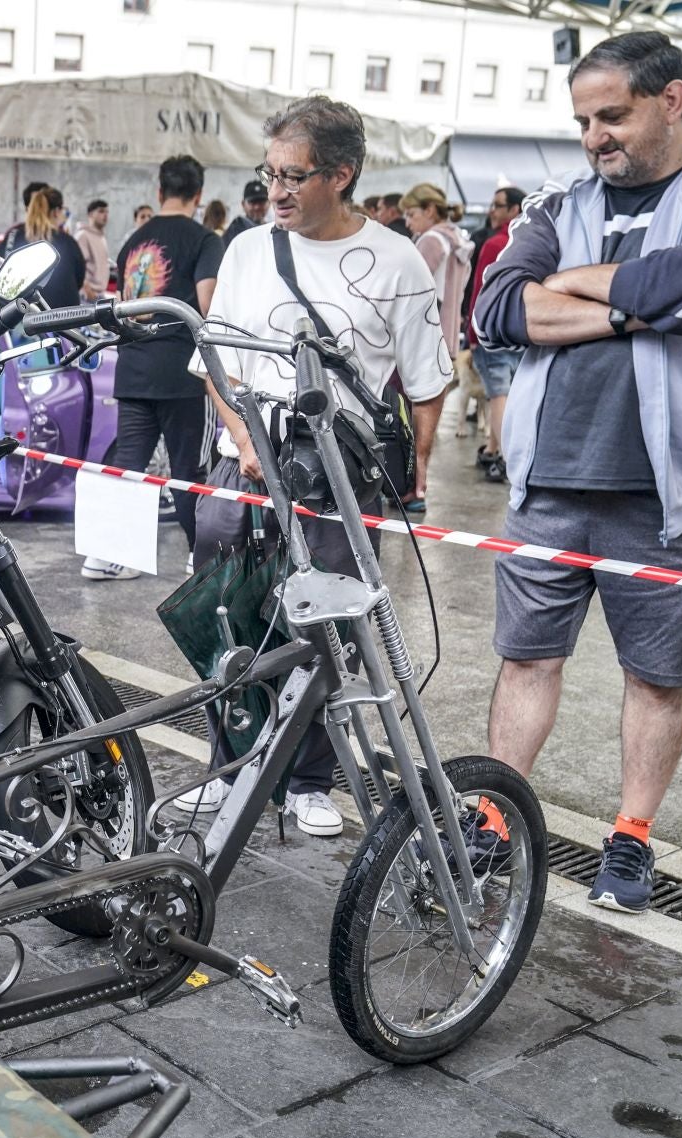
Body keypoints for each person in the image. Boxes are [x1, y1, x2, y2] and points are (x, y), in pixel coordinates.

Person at [473, 32, 682, 913]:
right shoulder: (557, 199)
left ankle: (632, 837)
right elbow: (495, 310)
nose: (594, 137)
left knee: (657, 676)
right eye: (583, 120)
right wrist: (631, 308)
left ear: (673, 100)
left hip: (673, 492)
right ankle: (496, 816)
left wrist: (569, 290)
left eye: (612, 115)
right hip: (549, 484)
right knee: (525, 660)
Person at [172, 96, 450, 833]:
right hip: (243, 472)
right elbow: (215, 363)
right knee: (226, 623)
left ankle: (308, 778)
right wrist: (244, 441)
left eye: (295, 176)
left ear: (343, 174)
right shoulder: (247, 250)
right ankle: (229, 765)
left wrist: (413, 471)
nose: (278, 193)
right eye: (270, 175)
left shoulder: (398, 263)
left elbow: (426, 384)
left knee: (326, 630)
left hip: (338, 481)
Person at [83, 154, 225, 582]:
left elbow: (127, 307)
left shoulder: (133, 241)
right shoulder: (205, 240)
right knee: (189, 471)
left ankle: (105, 556)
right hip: (181, 371)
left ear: (159, 191)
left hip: (133, 368)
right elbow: (208, 309)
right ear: (198, 196)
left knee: (128, 463)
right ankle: (199, 556)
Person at [401, 184, 472, 508]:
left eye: (412, 213)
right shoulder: (457, 239)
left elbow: (407, 289)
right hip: (446, 337)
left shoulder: (431, 241)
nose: (407, 221)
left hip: (421, 338)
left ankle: (409, 485)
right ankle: (419, 486)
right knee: (427, 420)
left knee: (408, 418)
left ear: (430, 210)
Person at [467, 186, 526, 482]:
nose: (493, 209)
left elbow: (480, 291)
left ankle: (504, 456)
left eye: (499, 205)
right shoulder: (533, 242)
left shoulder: (495, 244)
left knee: (498, 395)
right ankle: (493, 448)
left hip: (491, 331)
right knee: (508, 395)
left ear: (515, 209)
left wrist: (472, 331)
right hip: (522, 331)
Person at [4, 187, 85, 308]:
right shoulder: (68, 243)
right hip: (65, 318)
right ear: (56, 212)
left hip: (23, 318)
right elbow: (79, 278)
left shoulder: (13, 238)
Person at [0, 181, 51, 257]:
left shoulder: (63, 239)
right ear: (27, 208)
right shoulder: (13, 236)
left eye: (43, 204)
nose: (40, 209)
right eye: (35, 204)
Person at [76, 199, 112, 300]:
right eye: (101, 211)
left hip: (99, 294)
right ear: (90, 214)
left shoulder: (101, 237)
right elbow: (78, 267)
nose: (105, 215)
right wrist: (87, 291)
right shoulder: (83, 236)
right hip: (87, 296)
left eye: (106, 212)